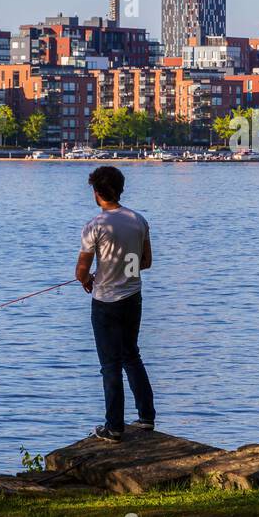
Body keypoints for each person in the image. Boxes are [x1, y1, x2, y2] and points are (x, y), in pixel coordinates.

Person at [75, 165, 155, 442]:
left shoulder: (95, 226)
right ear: (120, 189)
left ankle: (114, 427)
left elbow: (81, 272)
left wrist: (89, 279)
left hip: (105, 302)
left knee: (109, 364)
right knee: (131, 356)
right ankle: (146, 418)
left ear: (97, 193)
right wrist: (120, 269)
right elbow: (144, 262)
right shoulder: (138, 220)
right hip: (133, 298)